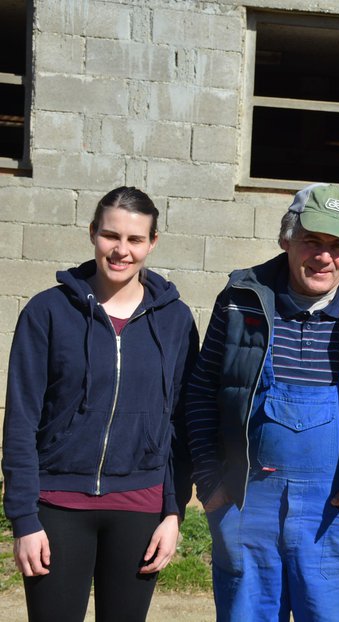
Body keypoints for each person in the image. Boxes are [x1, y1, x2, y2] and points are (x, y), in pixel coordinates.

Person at [185, 183, 339, 621]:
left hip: (336, 510)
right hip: (247, 506)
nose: (324, 257)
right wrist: (211, 485)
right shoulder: (242, 299)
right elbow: (202, 390)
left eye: (338, 245)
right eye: (312, 241)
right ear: (286, 239)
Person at [2, 186, 198, 622]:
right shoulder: (47, 312)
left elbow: (181, 424)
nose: (121, 250)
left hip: (140, 506)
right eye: (111, 236)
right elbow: (21, 420)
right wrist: (23, 518)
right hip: (56, 505)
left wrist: (173, 511)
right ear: (92, 233)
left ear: (152, 243)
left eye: (134, 239)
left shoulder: (176, 320)